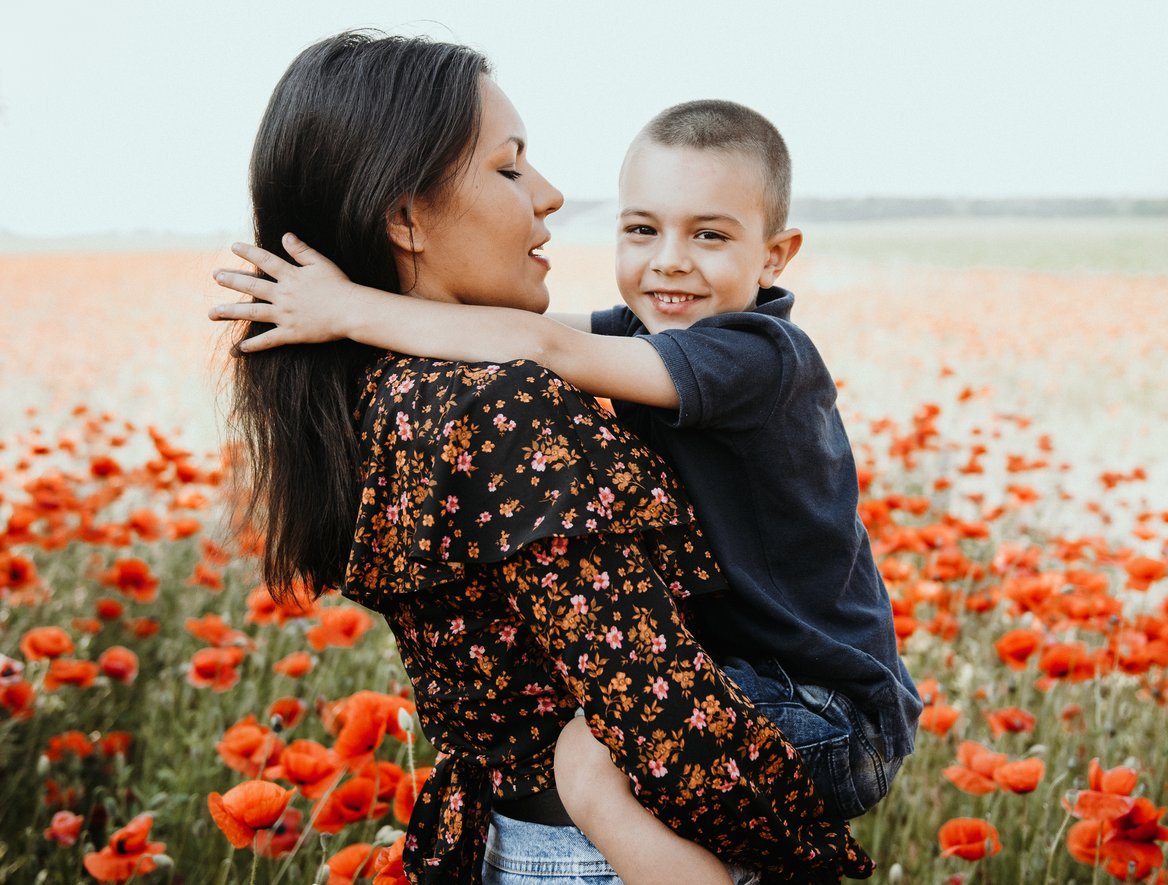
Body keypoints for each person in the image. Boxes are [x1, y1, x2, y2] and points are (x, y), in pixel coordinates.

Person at [216, 31, 872, 885]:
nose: (554, 195)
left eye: (709, 233)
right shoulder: (494, 400)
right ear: (405, 217)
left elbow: (543, 341)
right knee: (588, 761)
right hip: (613, 843)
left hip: (736, 747)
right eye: (509, 166)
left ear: (774, 254)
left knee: (588, 761)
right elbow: (659, 713)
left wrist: (350, 309)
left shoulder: (390, 388)